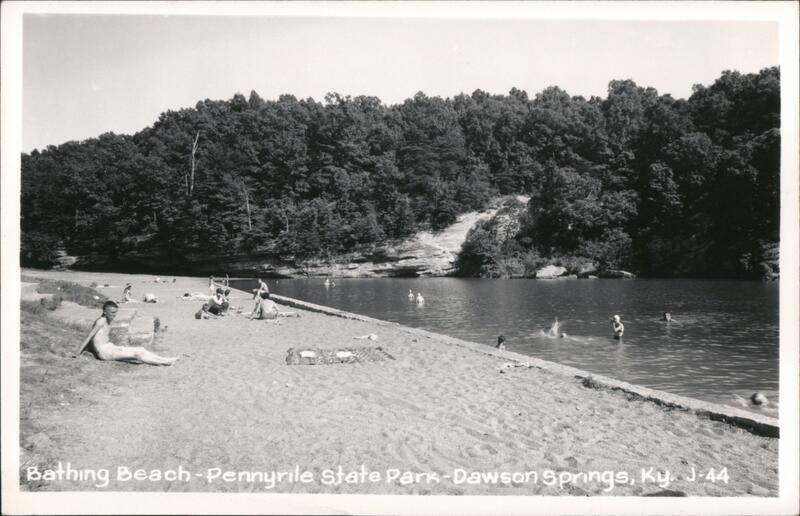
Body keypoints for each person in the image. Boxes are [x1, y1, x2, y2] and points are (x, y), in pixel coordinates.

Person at [74, 301, 178, 365]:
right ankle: (165, 362)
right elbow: (90, 336)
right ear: (105, 312)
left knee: (141, 349)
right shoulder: (100, 321)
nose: (114, 315)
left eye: (116, 312)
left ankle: (165, 359)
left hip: (109, 347)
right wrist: (77, 353)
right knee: (137, 354)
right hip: (104, 352)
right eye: (112, 313)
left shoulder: (108, 321)